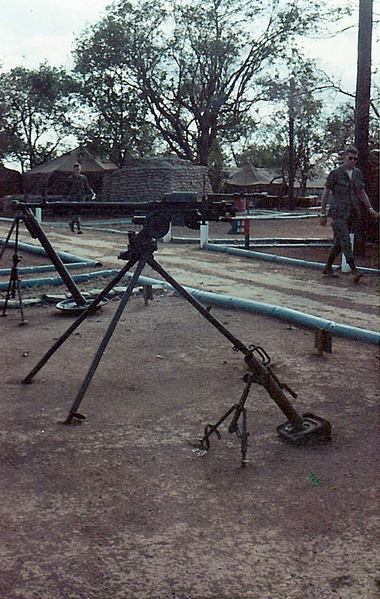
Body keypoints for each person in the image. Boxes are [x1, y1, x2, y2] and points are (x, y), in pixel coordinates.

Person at [320, 146, 378, 283]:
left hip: (352, 212)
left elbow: (361, 192)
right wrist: (322, 213)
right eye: (350, 158)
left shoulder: (357, 174)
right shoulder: (336, 173)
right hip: (338, 213)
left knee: (339, 242)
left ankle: (327, 267)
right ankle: (354, 270)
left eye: (355, 159)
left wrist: (370, 209)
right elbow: (326, 193)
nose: (352, 161)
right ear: (345, 158)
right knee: (345, 240)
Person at [64, 163, 95, 233]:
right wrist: (65, 197)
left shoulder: (83, 178)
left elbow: (87, 186)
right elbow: (66, 189)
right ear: (74, 170)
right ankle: (79, 228)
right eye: (76, 169)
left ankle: (72, 223)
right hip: (73, 197)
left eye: (79, 169)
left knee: (78, 212)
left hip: (81, 197)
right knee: (76, 212)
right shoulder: (70, 179)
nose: (78, 171)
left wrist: (92, 193)